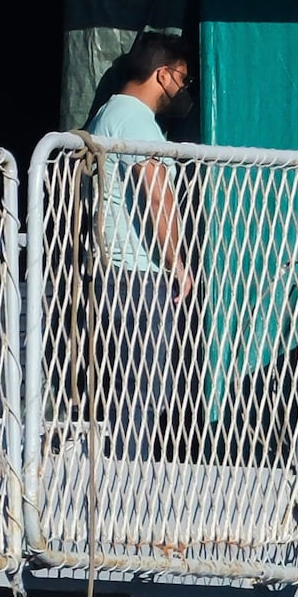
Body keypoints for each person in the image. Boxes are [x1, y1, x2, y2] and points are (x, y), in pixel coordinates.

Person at [83, 30, 196, 459]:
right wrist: (177, 262)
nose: (183, 91)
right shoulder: (134, 119)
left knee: (134, 386)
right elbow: (157, 189)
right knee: (144, 388)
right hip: (137, 275)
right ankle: (131, 484)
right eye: (182, 80)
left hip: (118, 272)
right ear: (162, 75)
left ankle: (126, 475)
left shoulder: (110, 112)